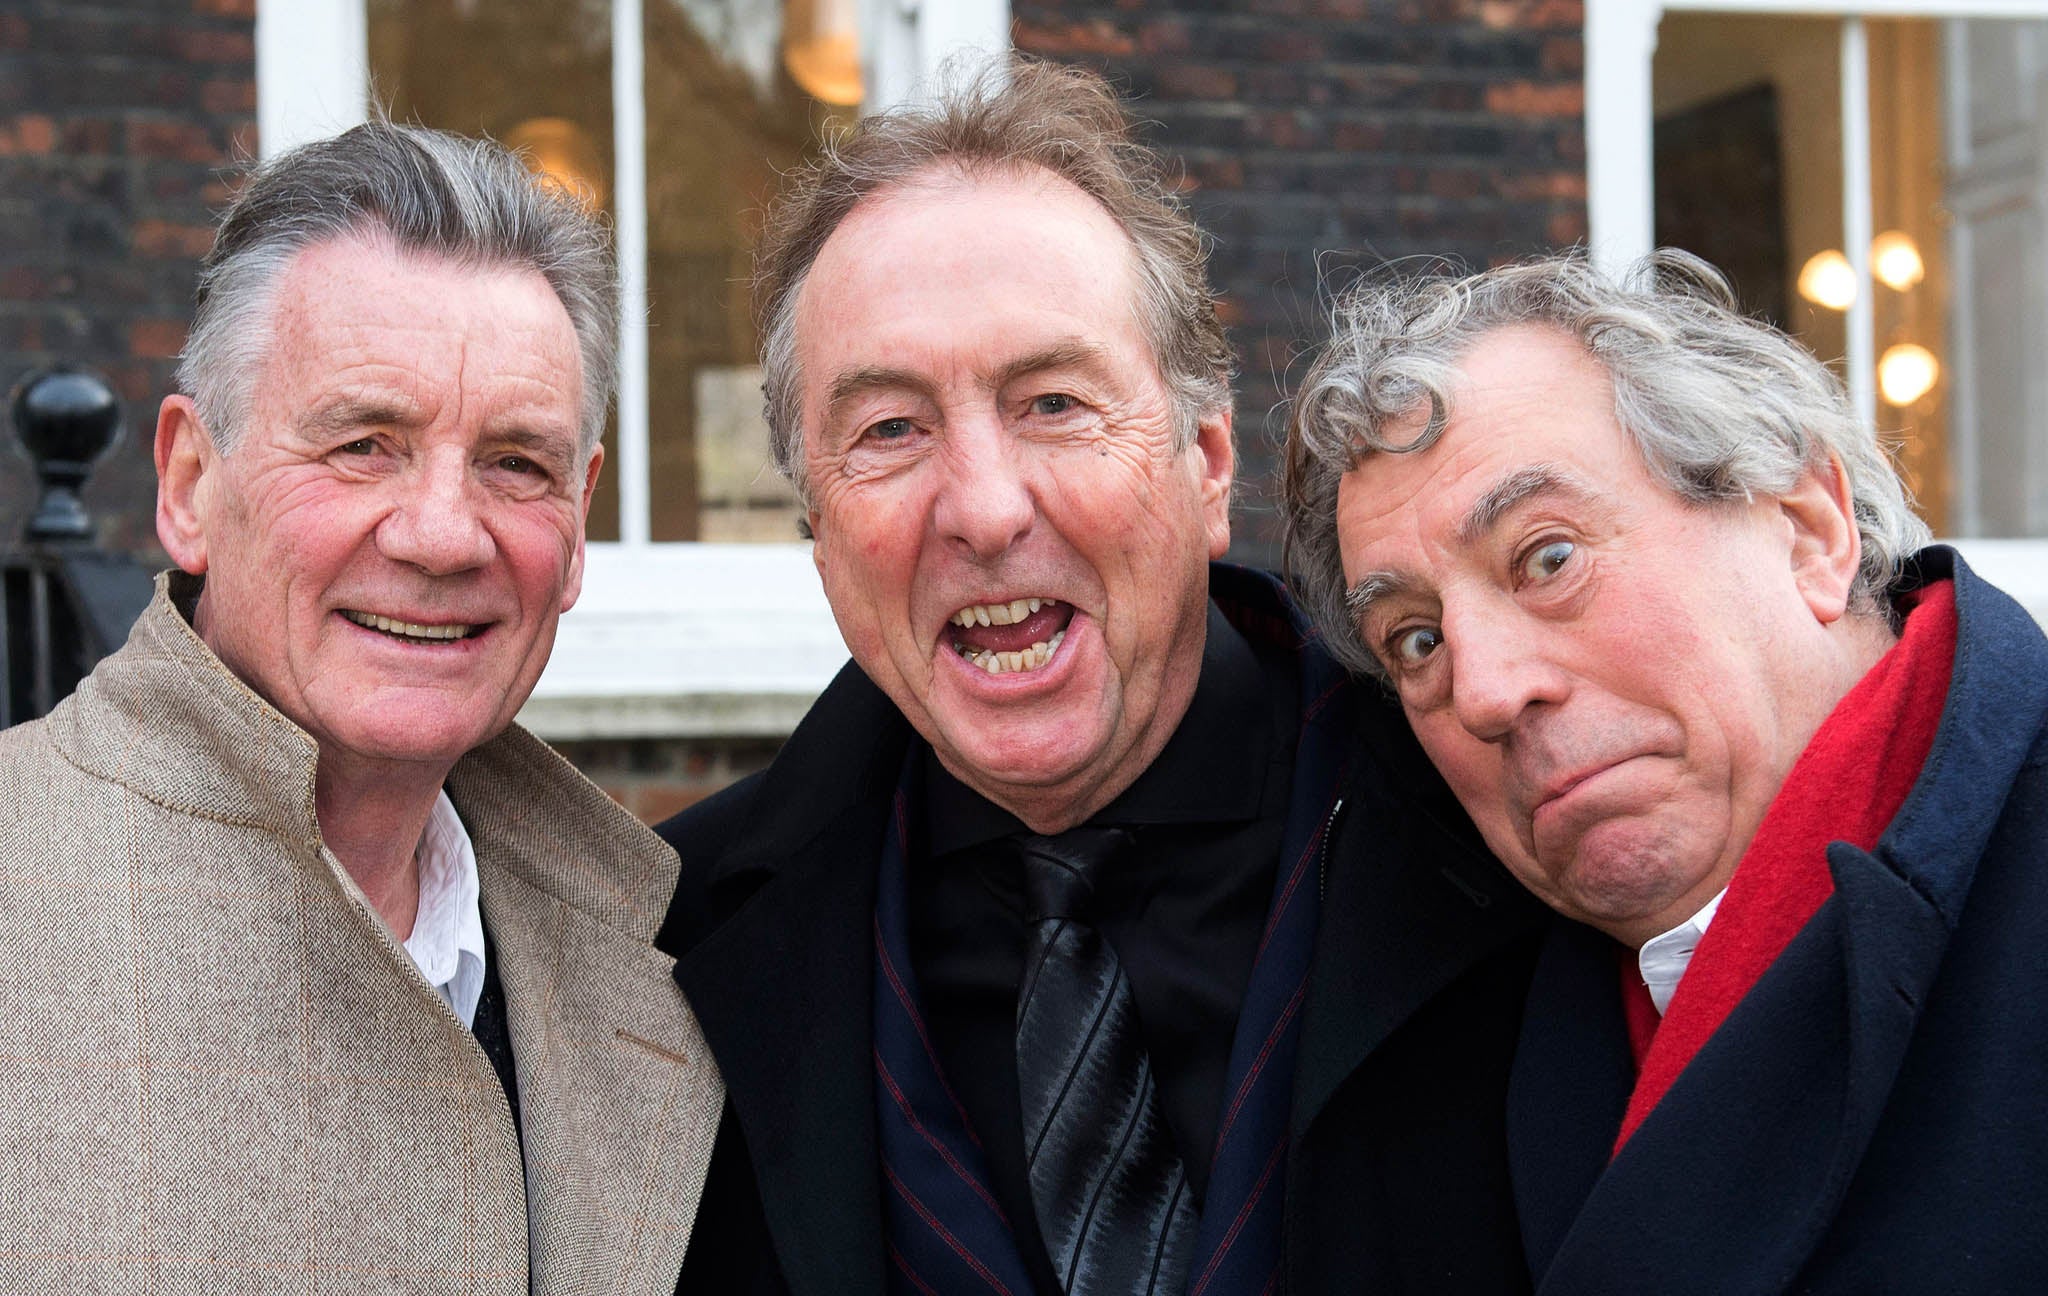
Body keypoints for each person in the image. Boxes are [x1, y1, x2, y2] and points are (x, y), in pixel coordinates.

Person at [656, 57, 1549, 1296]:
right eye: (888, 431)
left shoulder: (1507, 821)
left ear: (1202, 460)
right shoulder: (669, 944)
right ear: (817, 531)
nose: (979, 508)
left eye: (1054, 402)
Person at [0, 121, 723, 1293]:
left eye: (515, 464)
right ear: (190, 482)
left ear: (578, 525)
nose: (442, 535)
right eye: (363, 445)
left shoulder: (660, 971)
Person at [1282, 249, 2048, 1294]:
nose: (1486, 691)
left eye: (1546, 558)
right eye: (1414, 640)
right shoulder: (1455, 1040)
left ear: (1804, 531)